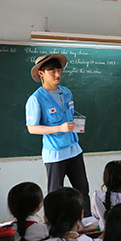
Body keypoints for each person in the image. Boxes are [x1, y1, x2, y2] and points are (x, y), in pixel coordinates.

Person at [25, 54, 91, 217]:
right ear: (41, 73)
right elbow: (32, 129)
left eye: (59, 70)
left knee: (83, 190)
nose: (57, 75)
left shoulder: (66, 92)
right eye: (52, 71)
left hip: (74, 149)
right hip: (55, 153)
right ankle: (54, 227)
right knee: (55, 194)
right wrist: (58, 128)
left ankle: (87, 223)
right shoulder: (35, 99)